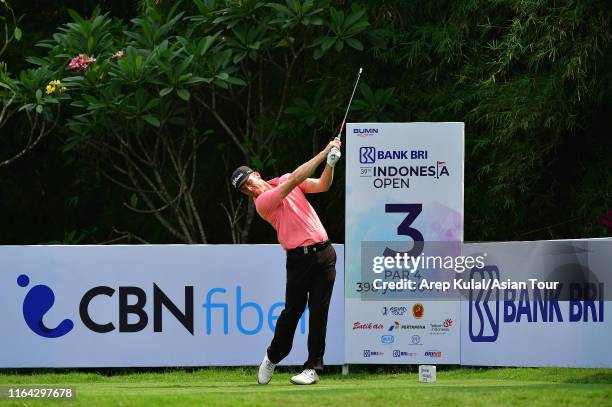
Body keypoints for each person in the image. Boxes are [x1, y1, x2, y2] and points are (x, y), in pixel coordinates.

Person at [230, 137, 342, 385]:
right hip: (298, 260)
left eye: (248, 182)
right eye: (244, 190)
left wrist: (331, 164)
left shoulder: (283, 181)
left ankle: (312, 368)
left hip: (325, 254)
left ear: (257, 175)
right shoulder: (263, 204)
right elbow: (295, 180)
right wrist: (325, 152)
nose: (249, 189)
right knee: (292, 312)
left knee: (319, 312)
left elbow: (323, 185)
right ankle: (272, 357)